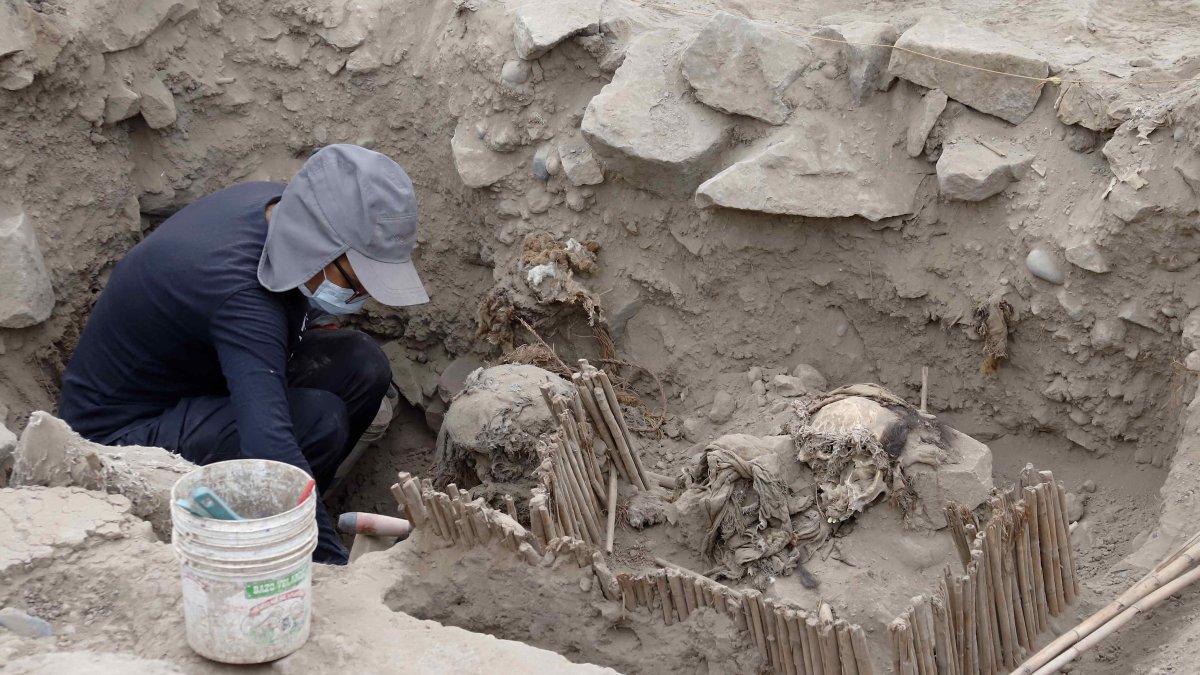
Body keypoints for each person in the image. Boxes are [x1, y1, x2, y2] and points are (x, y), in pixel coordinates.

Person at [58, 144, 428, 565]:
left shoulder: (284, 212)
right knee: (318, 421)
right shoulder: (241, 295)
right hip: (115, 440)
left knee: (361, 365)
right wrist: (334, 571)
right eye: (357, 280)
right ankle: (288, 548)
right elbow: (269, 444)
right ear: (319, 246)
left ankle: (299, 512)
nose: (361, 296)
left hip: (197, 381)